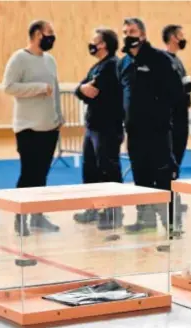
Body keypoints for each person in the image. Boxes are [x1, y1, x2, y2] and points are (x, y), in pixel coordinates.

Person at [117, 18, 184, 234]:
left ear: (143, 35)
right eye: (125, 31)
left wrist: (159, 112)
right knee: (141, 177)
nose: (129, 35)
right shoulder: (123, 63)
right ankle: (145, 221)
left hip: (158, 131)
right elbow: (121, 95)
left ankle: (172, 224)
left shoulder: (160, 59)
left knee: (164, 176)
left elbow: (175, 92)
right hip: (134, 132)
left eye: (133, 31)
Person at [3, 20, 64, 236]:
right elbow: (8, 86)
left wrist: (59, 115)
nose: (52, 37)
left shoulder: (50, 60)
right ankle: (20, 218)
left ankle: (38, 216)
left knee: (42, 175)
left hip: (49, 127)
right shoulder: (19, 58)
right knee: (28, 175)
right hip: (27, 128)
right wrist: (38, 88)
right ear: (37, 34)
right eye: (49, 33)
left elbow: (55, 89)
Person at [72, 27, 124, 230]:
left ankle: (114, 213)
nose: (91, 44)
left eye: (95, 41)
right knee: (90, 170)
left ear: (103, 44)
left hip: (107, 127)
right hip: (93, 127)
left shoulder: (111, 66)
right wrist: (81, 88)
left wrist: (84, 89)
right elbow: (81, 89)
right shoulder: (98, 66)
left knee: (108, 170)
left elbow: (92, 91)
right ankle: (93, 208)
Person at [161, 24, 191, 229]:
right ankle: (167, 200)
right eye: (181, 35)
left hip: (181, 117)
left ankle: (173, 196)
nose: (183, 38)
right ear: (172, 37)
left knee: (177, 159)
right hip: (172, 119)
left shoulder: (177, 60)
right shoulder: (164, 60)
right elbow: (173, 89)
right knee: (170, 161)